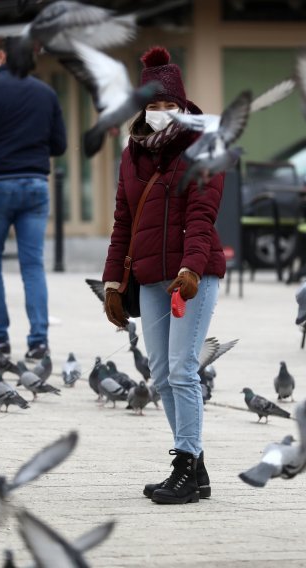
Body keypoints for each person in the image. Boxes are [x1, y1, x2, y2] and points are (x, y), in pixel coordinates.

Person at [102, 46, 226, 505]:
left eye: (167, 106)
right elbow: (123, 222)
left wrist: (192, 267)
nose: (159, 114)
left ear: (182, 105)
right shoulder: (133, 152)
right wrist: (113, 282)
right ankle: (195, 467)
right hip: (149, 276)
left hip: (191, 274)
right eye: (151, 107)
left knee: (182, 369)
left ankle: (186, 466)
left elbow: (203, 213)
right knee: (159, 373)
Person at [0, 36, 66, 358]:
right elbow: (60, 145)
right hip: (35, 183)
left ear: (2, 57)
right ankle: (38, 341)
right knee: (32, 265)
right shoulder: (46, 93)